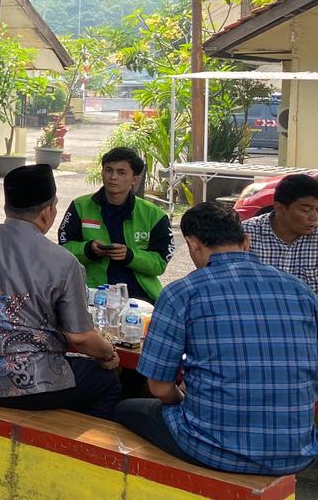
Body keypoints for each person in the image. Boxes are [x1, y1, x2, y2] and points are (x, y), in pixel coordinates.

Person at [114, 201, 318, 475]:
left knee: (125, 409)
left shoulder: (182, 292)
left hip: (212, 448)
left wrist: (184, 398)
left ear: (192, 244)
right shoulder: (300, 290)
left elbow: (160, 388)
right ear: (246, 242)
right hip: (298, 450)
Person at [0, 164, 121, 419]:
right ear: (47, 213)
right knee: (107, 383)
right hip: (29, 382)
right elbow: (80, 337)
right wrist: (108, 354)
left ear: (7, 207)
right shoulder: (63, 262)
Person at [58, 147, 173, 303]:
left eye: (121, 172)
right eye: (108, 170)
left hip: (139, 297)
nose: (113, 177)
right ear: (102, 172)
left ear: (135, 179)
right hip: (92, 294)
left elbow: (160, 263)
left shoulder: (154, 215)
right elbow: (63, 251)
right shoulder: (80, 206)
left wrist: (130, 256)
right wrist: (88, 249)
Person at [242, 173, 318, 295]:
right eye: (306, 210)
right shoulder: (245, 235)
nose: (314, 218)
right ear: (280, 208)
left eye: (317, 210)